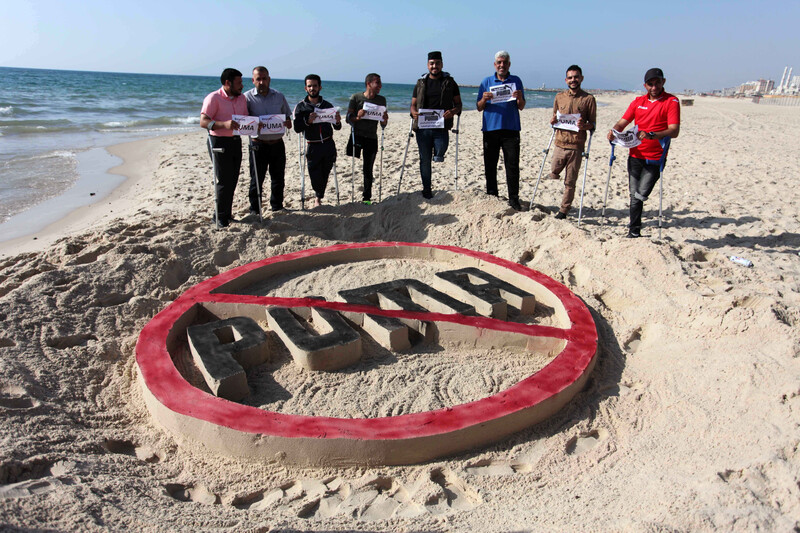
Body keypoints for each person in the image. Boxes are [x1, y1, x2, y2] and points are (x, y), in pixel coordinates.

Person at [607, 67, 680, 238]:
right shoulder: (638, 102)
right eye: (650, 84)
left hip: (655, 158)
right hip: (635, 156)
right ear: (645, 85)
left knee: (640, 194)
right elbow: (622, 123)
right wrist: (614, 132)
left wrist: (653, 135)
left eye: (657, 83)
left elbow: (674, 131)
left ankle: (634, 229)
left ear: (663, 82)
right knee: (634, 196)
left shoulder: (672, 101)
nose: (654, 87)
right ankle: (634, 231)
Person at [477, 50, 526, 211]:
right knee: (490, 165)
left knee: (512, 165)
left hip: (511, 129)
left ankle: (514, 198)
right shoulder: (486, 81)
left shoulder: (516, 81)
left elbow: (521, 106)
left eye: (504, 62)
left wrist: (518, 97)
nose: (502, 65)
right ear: (495, 64)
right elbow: (478, 107)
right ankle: (492, 195)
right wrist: (484, 99)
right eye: (499, 62)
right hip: (490, 129)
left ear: (509, 64)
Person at [410, 51, 462, 199]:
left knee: (440, 152)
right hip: (423, 128)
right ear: (428, 65)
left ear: (442, 64)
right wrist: (413, 113)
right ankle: (427, 188)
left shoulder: (450, 83)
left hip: (441, 127)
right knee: (424, 159)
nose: (434, 66)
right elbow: (413, 105)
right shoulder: (420, 83)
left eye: (437, 63)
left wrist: (452, 111)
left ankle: (438, 155)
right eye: (432, 63)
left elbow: (458, 104)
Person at [200, 68, 247, 227]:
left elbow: (246, 119)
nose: (242, 85)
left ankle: (227, 215)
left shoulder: (241, 99)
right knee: (224, 180)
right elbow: (204, 122)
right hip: (218, 142)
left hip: (236, 141)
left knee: (233, 180)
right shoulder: (213, 98)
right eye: (239, 82)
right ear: (228, 83)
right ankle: (218, 217)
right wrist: (223, 124)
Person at [549, 65, 597, 219]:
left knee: (570, 181)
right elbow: (554, 119)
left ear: (581, 78)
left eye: (576, 77)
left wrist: (585, 126)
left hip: (576, 146)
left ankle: (564, 210)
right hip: (559, 143)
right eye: (570, 77)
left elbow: (593, 124)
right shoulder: (559, 97)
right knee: (554, 172)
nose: (573, 80)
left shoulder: (588, 99)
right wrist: (553, 121)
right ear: (566, 80)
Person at [245, 66, 292, 213]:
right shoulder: (246, 98)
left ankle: (277, 207)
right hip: (258, 144)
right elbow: (242, 121)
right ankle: (255, 209)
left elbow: (287, 116)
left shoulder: (279, 96)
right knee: (256, 179)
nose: (261, 82)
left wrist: (288, 122)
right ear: (253, 80)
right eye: (258, 79)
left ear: (269, 79)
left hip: (277, 144)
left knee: (278, 178)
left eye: (264, 78)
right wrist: (253, 124)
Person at [293, 74, 342, 207]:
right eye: (309, 86)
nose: (312, 88)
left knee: (325, 171)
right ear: (305, 88)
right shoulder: (301, 107)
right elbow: (297, 128)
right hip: (312, 145)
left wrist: (337, 121)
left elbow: (337, 127)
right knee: (314, 173)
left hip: (328, 143)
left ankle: (318, 197)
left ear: (320, 87)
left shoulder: (327, 105)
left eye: (315, 86)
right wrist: (307, 121)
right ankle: (318, 194)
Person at [346, 73, 389, 204]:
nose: (380, 86)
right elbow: (348, 118)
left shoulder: (381, 100)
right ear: (369, 84)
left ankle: (367, 198)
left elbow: (383, 124)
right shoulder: (356, 97)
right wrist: (357, 117)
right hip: (357, 135)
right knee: (353, 165)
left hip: (371, 137)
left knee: (368, 168)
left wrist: (384, 120)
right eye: (378, 83)